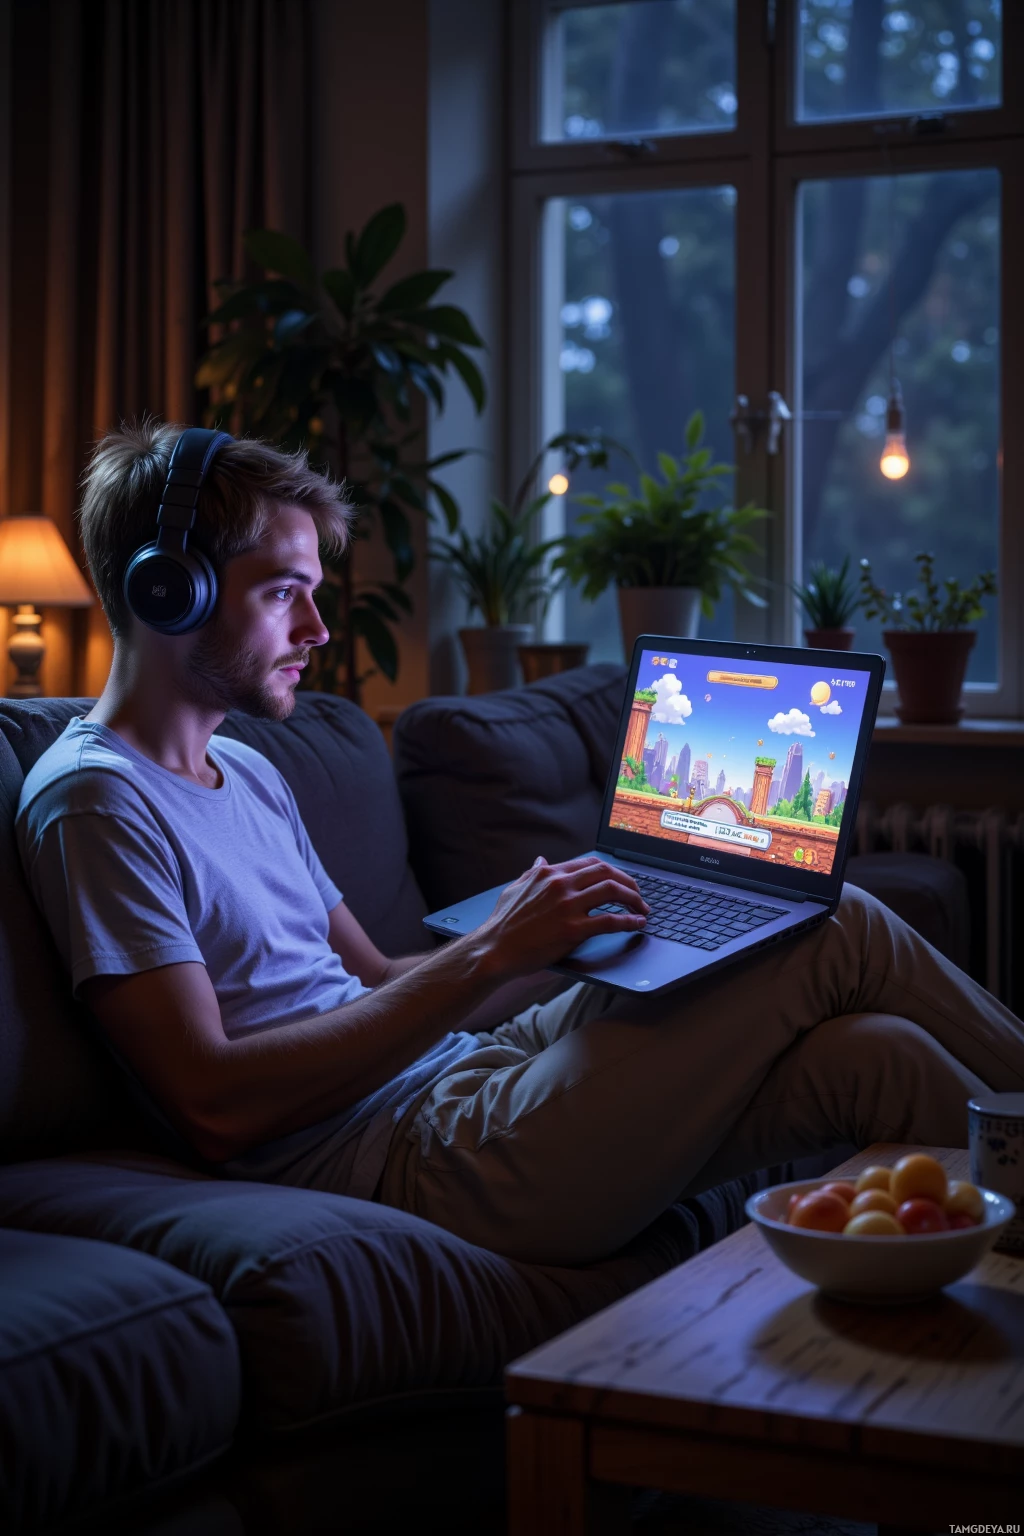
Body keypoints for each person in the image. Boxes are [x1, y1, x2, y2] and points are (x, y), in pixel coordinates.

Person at [17, 420, 1024, 1268]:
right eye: (285, 592)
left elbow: (370, 981)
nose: (319, 628)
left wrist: (540, 934)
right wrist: (491, 953)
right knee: (831, 922)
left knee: (872, 1056)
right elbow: (215, 1104)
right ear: (169, 592)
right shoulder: (98, 803)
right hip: (424, 1158)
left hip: (460, 1078)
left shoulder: (247, 770)